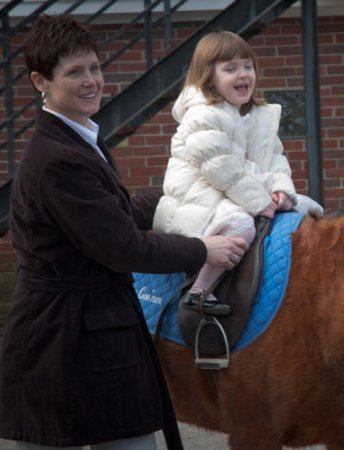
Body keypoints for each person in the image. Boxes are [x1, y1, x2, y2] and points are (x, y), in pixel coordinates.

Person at [0, 15, 247, 450]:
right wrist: (202, 248)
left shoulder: (78, 138)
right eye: (75, 72)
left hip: (85, 332)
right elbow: (122, 247)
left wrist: (186, 191)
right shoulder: (59, 157)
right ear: (41, 81)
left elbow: (111, 214)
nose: (91, 80)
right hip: (64, 341)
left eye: (94, 67)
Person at [152, 31, 322, 315]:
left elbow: (275, 160)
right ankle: (199, 292)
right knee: (240, 227)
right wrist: (260, 202)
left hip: (240, 192)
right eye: (230, 69)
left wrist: (282, 190)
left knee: (308, 207)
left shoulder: (258, 117)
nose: (242, 74)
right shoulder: (203, 115)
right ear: (209, 78)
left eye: (247, 66)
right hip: (201, 196)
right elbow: (222, 169)